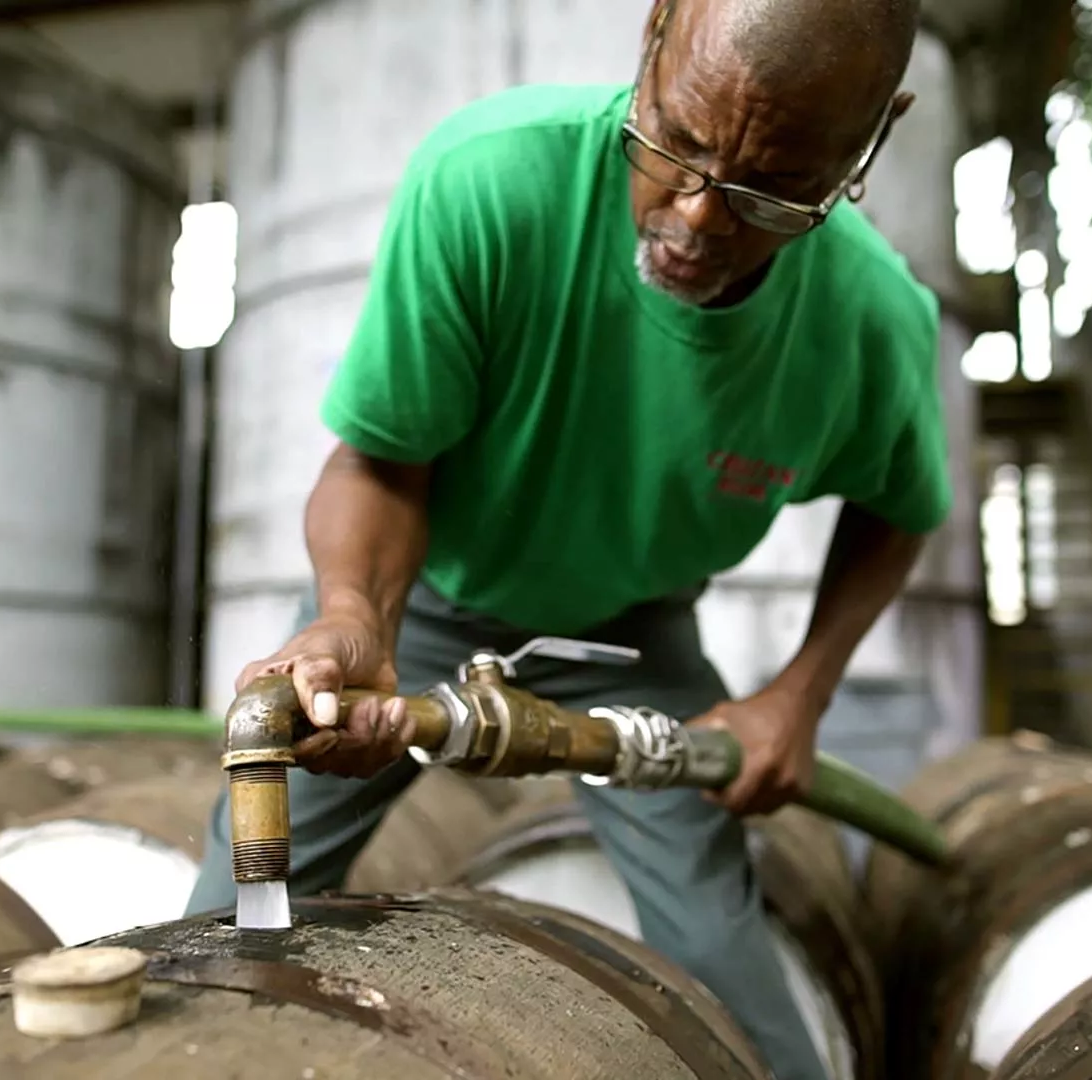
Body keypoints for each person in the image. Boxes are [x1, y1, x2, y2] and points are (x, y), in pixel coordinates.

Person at [185, 0, 946, 1074]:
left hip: (637, 641)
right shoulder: (490, 181)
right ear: (654, 33)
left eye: (772, 191)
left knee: (728, 966)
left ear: (871, 138)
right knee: (226, 923)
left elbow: (900, 510)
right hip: (424, 598)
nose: (694, 218)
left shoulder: (872, 321)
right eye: (674, 143)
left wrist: (799, 695)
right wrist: (356, 617)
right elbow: (380, 461)